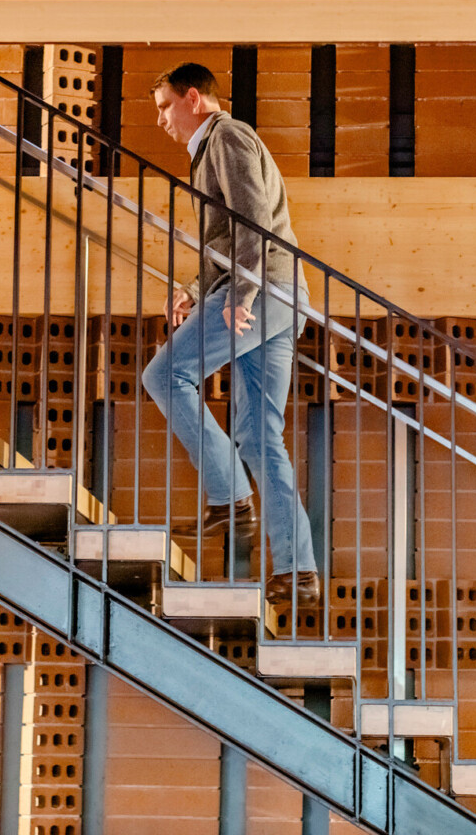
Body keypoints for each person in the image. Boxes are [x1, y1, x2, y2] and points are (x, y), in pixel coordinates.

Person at [140, 62, 319, 606]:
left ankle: (231, 497)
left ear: (193, 98)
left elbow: (253, 219)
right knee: (260, 438)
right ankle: (298, 571)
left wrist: (238, 296)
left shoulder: (226, 135)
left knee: (165, 374)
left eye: (165, 107)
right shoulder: (214, 147)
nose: (162, 121)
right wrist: (198, 287)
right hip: (281, 295)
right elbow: (228, 236)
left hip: (262, 292)